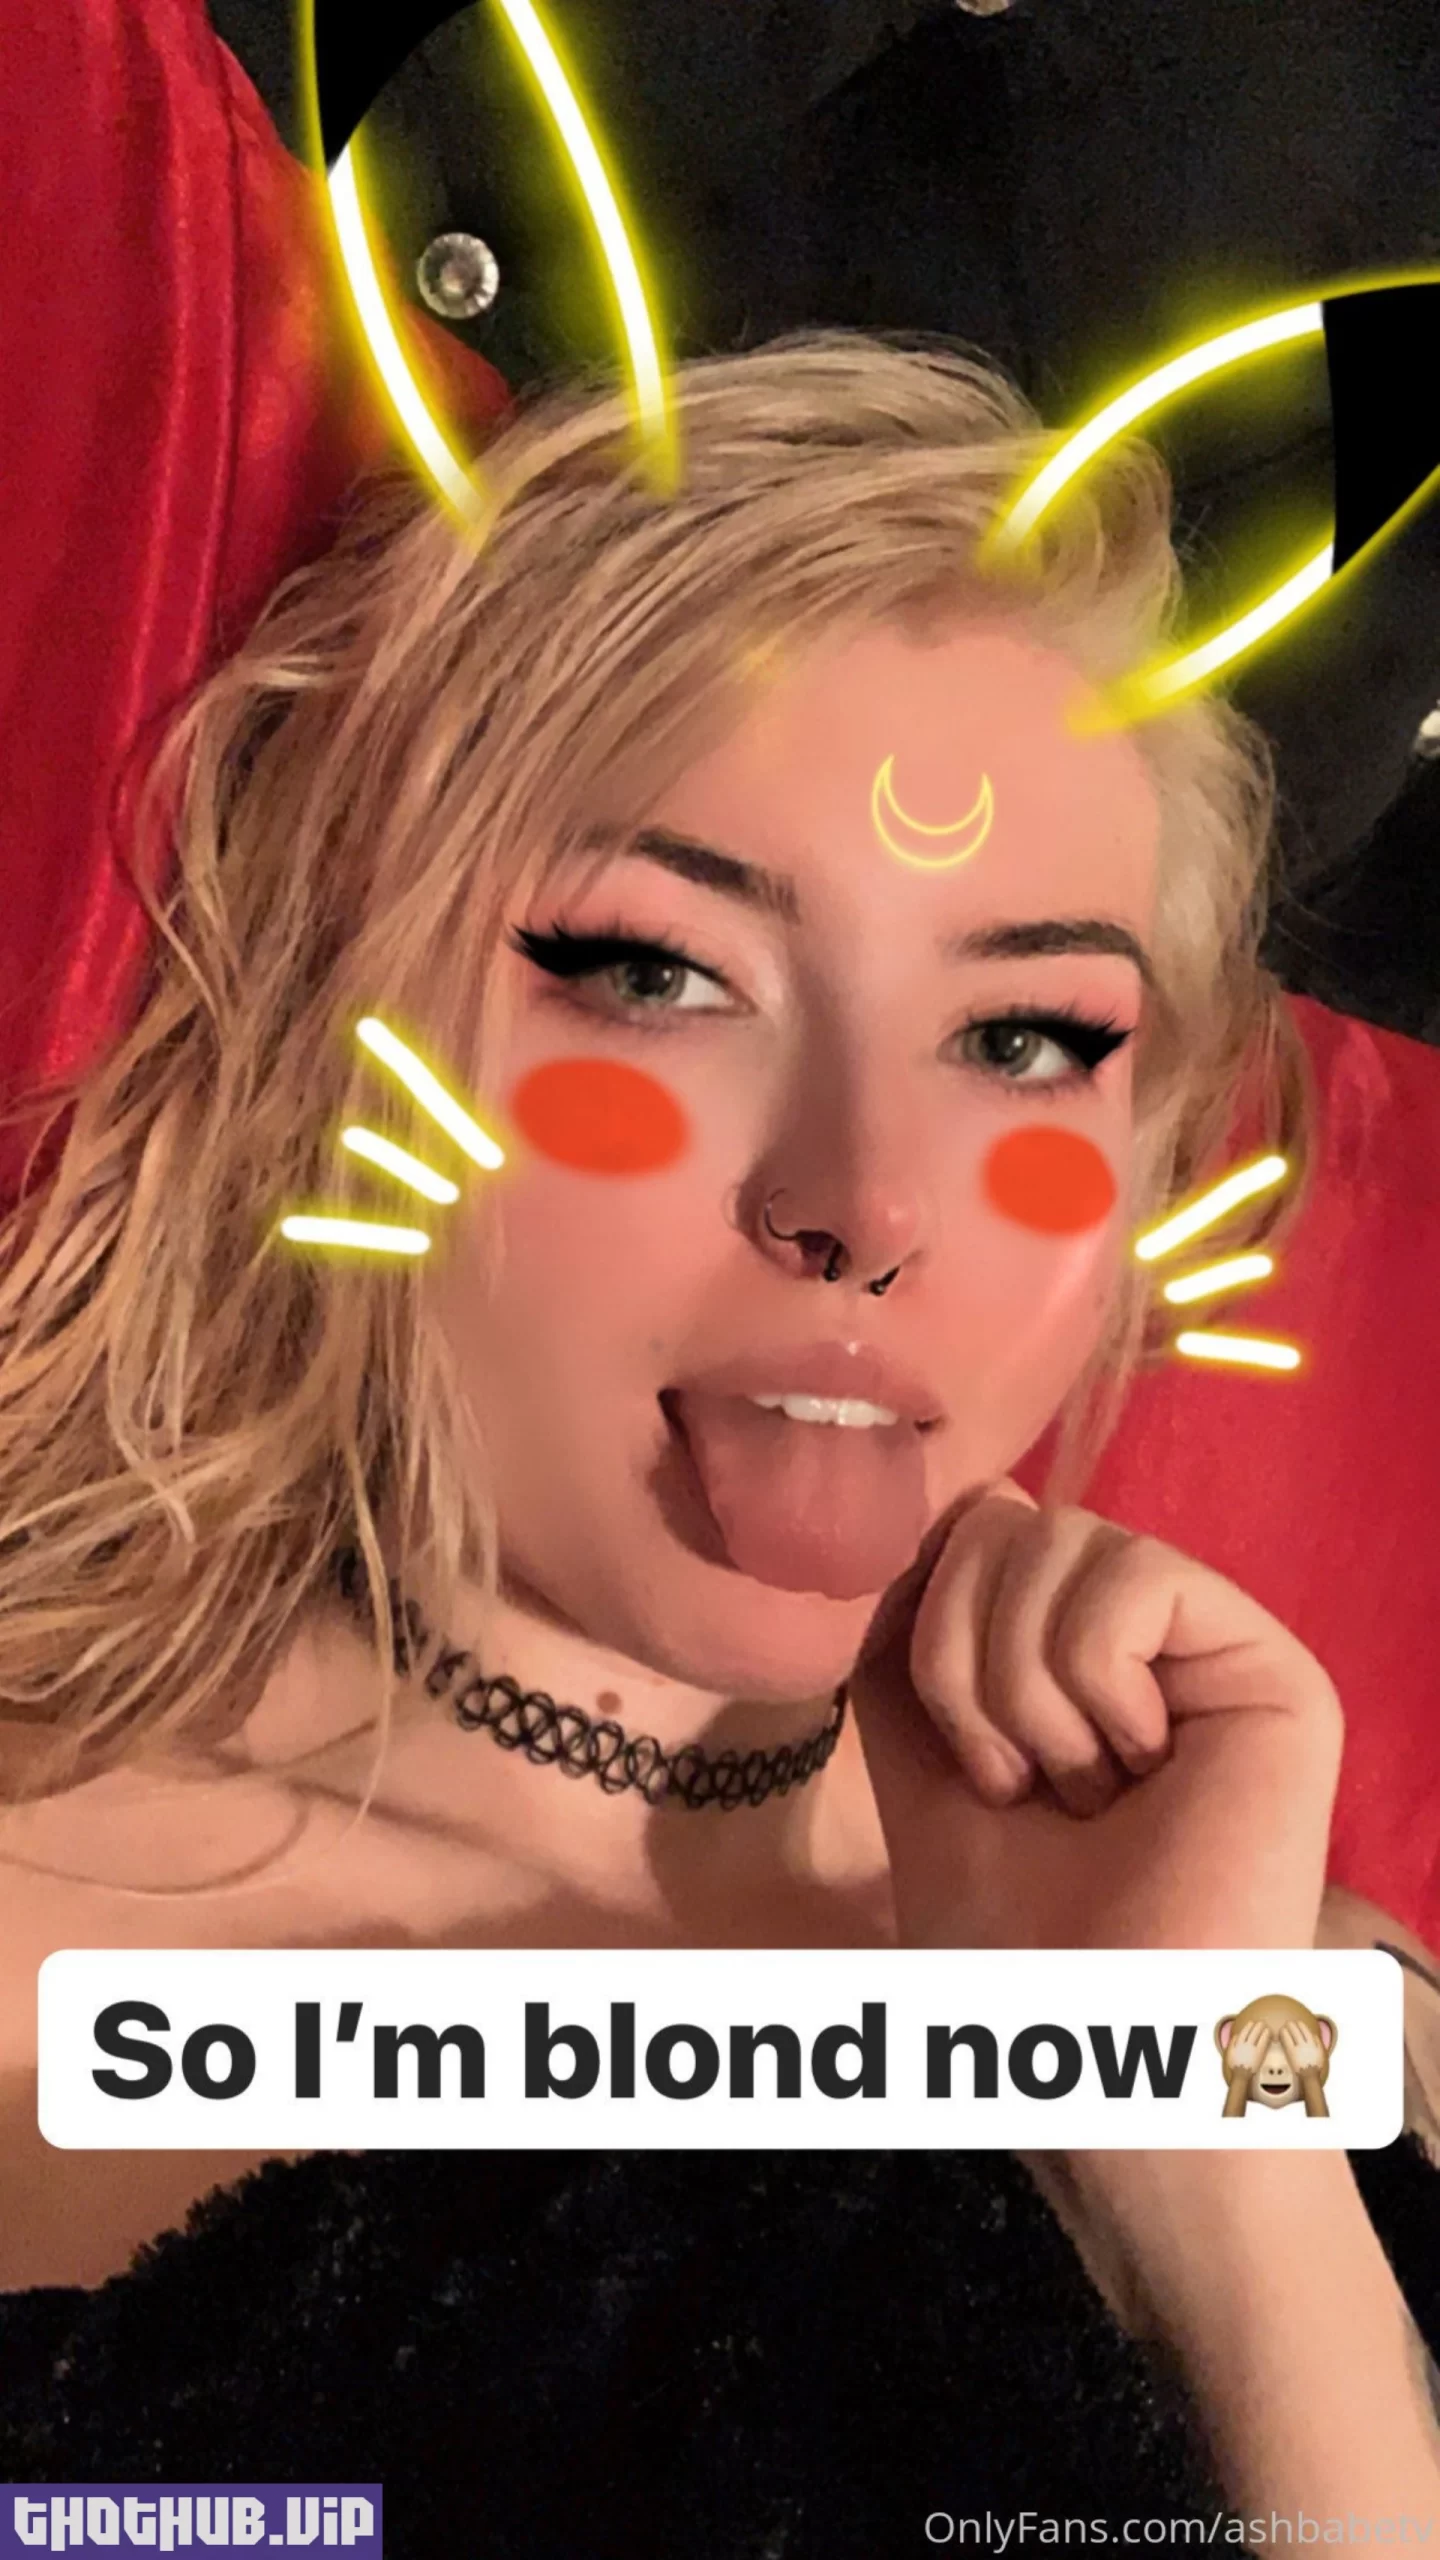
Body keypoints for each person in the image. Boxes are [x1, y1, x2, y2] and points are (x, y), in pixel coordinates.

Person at [0, 324, 1438, 2529]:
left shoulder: (1305, 1983)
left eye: (1026, 1036)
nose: (866, 1205)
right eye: (661, 974)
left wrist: (1189, 2135)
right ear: (336, 1044)